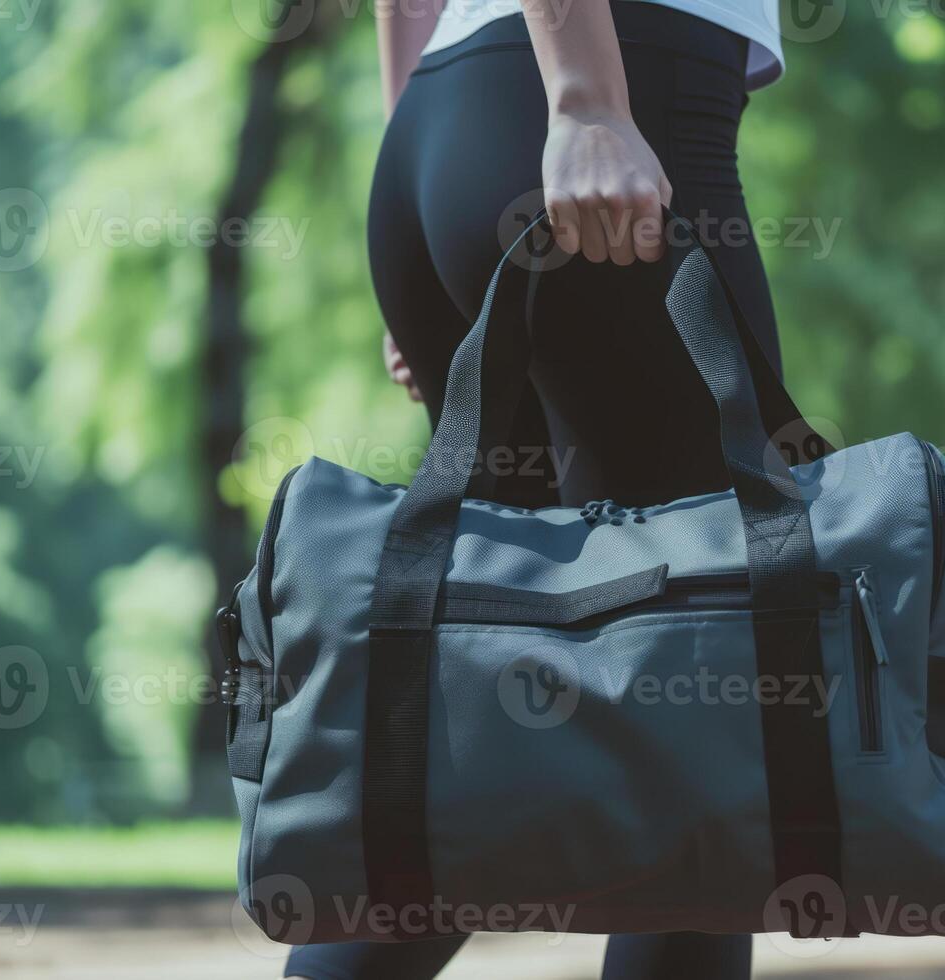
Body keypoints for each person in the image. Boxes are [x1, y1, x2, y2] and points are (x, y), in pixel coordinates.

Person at [285, 0, 787, 974]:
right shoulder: (588, 99)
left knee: (474, 719)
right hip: (602, 97)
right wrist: (587, 99)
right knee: (701, 716)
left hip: (446, 126)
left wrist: (427, 201)